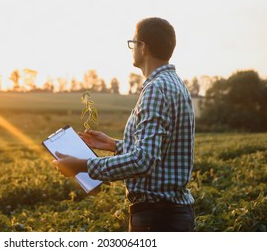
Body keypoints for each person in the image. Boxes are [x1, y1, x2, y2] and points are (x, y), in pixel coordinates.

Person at [53, 17, 195, 232]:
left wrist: (82, 166)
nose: (132, 49)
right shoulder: (175, 84)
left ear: (143, 47)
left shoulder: (156, 89)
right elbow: (160, 150)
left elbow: (143, 161)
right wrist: (114, 145)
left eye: (133, 42)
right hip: (170, 214)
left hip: (157, 219)